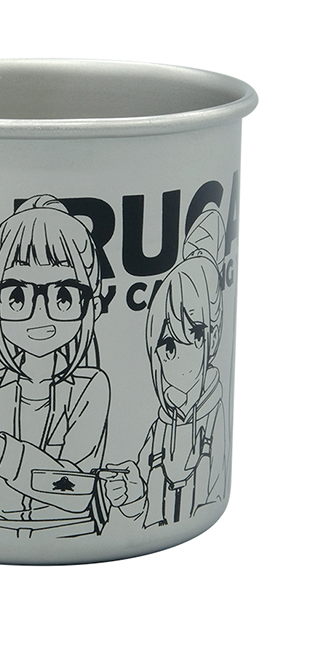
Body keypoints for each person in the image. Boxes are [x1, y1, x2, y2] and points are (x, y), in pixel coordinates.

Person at [0, 195, 111, 538]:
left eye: (63, 296)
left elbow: (76, 491)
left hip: (66, 533)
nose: (40, 313)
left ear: (92, 306)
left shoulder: (91, 387)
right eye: (16, 296)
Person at [102, 207, 228, 526]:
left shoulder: (214, 418)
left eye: (178, 343)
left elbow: (213, 488)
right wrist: (129, 493)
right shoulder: (160, 428)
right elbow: (141, 506)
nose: (167, 359)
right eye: (163, 347)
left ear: (209, 339)